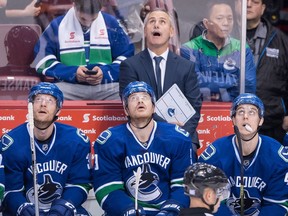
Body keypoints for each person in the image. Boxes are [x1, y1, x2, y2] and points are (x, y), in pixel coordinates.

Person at [93, 81, 196, 215]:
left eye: (145, 97)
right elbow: (107, 187)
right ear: (126, 110)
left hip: (166, 209)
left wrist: (171, 209)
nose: (140, 101)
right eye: (133, 98)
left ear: (153, 107)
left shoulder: (177, 138)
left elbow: (184, 184)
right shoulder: (109, 140)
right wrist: (127, 209)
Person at [0, 82, 92, 215]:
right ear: (29, 107)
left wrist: (65, 206)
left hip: (62, 208)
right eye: (38, 99)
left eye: (50, 100)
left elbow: (80, 183)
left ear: (58, 110)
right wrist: (21, 207)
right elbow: (11, 190)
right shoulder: (12, 142)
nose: (43, 104)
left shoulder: (76, 140)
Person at [119, 8, 202, 150]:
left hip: (182, 134)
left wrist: (180, 133)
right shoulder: (130, 66)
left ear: (171, 31)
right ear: (145, 31)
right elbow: (131, 105)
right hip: (143, 134)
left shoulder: (186, 67)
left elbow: (195, 106)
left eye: (162, 22)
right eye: (152, 22)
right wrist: (166, 129)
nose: (156, 25)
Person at [198, 93, 288, 215]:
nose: (245, 116)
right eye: (240, 112)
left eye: (252, 112)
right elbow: (210, 202)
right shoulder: (216, 153)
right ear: (234, 120)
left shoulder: (276, 156)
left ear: (260, 120)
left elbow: (277, 204)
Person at [34, 0, 134, 100]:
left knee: (129, 94)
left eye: (93, 19)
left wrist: (105, 73)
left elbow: (127, 58)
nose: (88, 23)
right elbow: (41, 59)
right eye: (83, 18)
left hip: (106, 86)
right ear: (74, 6)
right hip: (68, 87)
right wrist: (72, 73)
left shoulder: (111, 24)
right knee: (48, 97)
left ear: (100, 9)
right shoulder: (58, 25)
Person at [181, 0, 256, 102]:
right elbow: (192, 85)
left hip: (232, 112)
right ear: (206, 23)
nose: (226, 23)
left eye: (230, 19)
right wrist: (233, 82)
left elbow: (248, 87)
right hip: (200, 113)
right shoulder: (189, 49)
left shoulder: (242, 48)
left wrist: (216, 91)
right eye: (219, 18)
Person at [235, 0, 288, 144]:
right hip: (229, 119)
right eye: (243, 1)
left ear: (263, 8)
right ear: (235, 5)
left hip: (271, 122)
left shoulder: (281, 40)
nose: (248, 5)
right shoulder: (223, 35)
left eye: (255, 1)